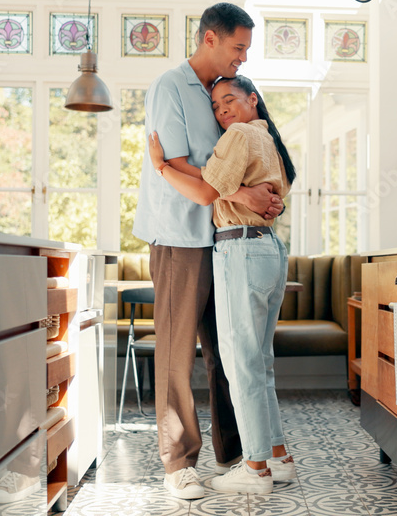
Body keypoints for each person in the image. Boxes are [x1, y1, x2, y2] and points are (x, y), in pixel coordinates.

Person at [131, 2, 283, 500]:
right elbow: (176, 166)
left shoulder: (225, 98)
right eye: (238, 47)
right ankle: (178, 464)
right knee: (177, 355)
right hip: (179, 236)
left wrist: (260, 193)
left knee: (228, 352)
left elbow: (238, 162)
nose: (242, 58)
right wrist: (242, 195)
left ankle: (240, 454)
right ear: (210, 39)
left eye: (246, 50)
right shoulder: (170, 87)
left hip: (224, 240)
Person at [148, 74, 296, 495]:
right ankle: (278, 456)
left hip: (240, 251)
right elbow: (249, 193)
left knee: (240, 363)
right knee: (261, 363)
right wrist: (245, 194)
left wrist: (161, 166)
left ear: (253, 99)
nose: (222, 110)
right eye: (216, 106)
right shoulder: (269, 140)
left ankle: (255, 469)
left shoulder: (238, 137)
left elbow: (204, 192)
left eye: (230, 99)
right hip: (269, 249)